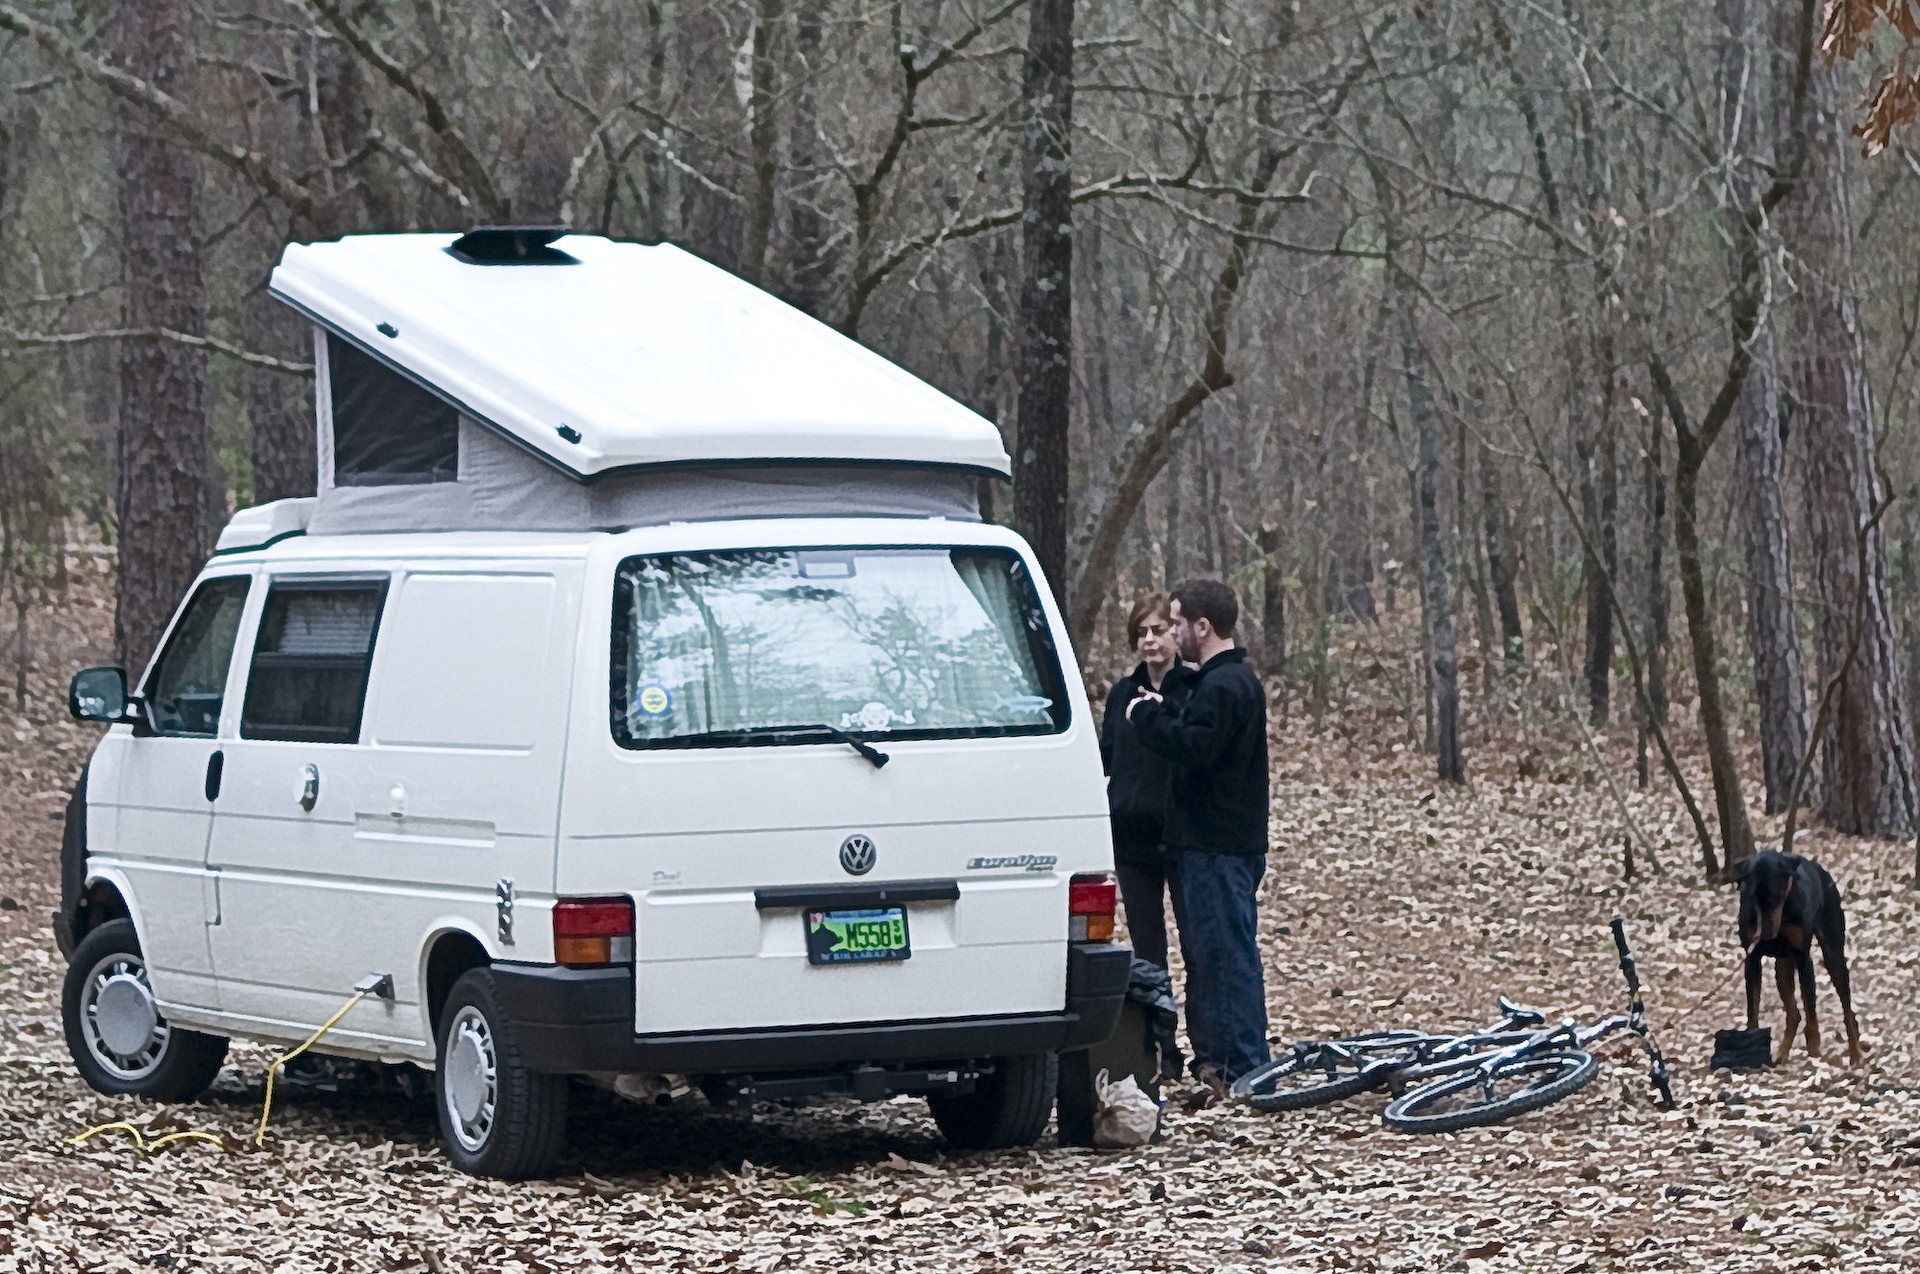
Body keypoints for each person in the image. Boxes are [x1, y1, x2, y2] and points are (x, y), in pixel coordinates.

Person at [1125, 577, 1270, 1087]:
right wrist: (1165, 710)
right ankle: (1227, 1062)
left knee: (1225, 958)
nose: (1173, 632)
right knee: (1219, 955)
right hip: (1220, 845)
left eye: (1178, 622)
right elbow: (1200, 732)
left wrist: (1147, 717)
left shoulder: (1224, 686)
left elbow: (1196, 747)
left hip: (1218, 847)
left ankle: (1243, 1066)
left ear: (1202, 627)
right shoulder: (1227, 684)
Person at [1098, 593, 1193, 977]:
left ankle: (1202, 1015)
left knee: (1196, 941)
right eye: (1141, 632)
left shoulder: (1194, 689)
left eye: (1157, 630)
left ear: (1175, 634)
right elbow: (1108, 755)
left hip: (1183, 834)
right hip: (1131, 835)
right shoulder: (1122, 693)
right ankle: (1158, 1016)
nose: (1149, 640)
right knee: (1146, 946)